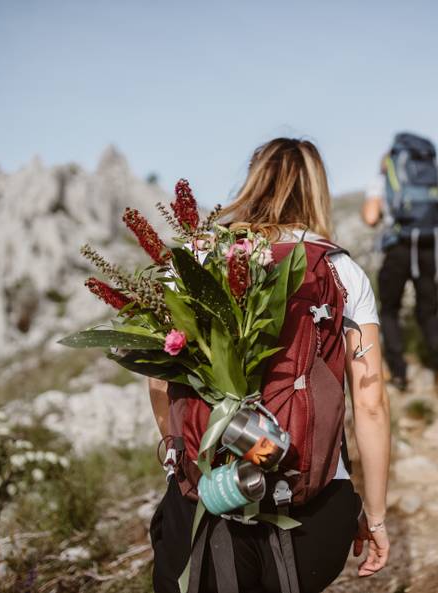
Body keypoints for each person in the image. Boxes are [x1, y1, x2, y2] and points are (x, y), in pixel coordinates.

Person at [147, 138, 391, 593]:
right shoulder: (340, 270)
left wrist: (181, 464)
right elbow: (370, 401)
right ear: (317, 189)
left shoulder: (193, 261)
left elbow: (161, 387)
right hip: (310, 511)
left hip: (206, 500)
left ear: (252, 181)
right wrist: (373, 516)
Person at [362, 132, 438, 397]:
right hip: (428, 245)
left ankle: (399, 373)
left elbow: (370, 217)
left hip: (399, 247)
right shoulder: (431, 178)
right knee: (429, 311)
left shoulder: (383, 179)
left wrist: (378, 208)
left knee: (390, 309)